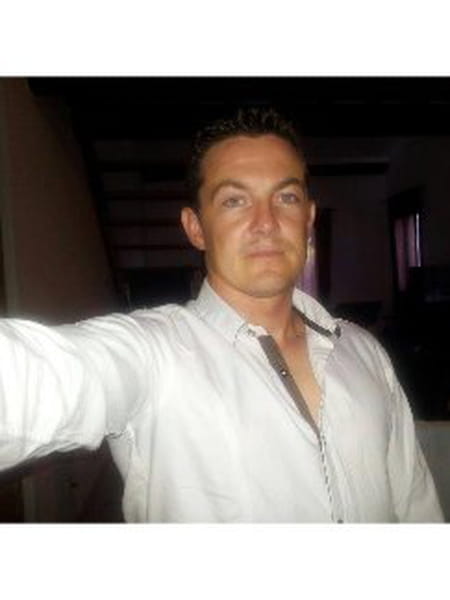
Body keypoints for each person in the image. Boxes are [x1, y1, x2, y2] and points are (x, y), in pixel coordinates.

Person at [0, 107, 443, 523]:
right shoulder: (154, 353)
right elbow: (35, 381)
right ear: (195, 228)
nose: (266, 221)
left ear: (308, 219)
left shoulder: (365, 351)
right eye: (234, 200)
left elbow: (415, 502)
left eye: (286, 196)